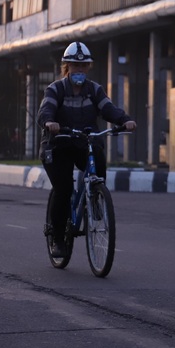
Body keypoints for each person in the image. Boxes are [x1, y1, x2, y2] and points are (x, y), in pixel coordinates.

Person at [37, 41, 137, 257]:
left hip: (84, 142)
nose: (79, 70)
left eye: (83, 67)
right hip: (59, 143)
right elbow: (46, 110)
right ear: (67, 67)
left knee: (99, 160)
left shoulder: (94, 90)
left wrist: (125, 120)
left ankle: (95, 198)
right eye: (75, 66)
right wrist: (49, 122)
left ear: (88, 68)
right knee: (63, 189)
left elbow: (108, 109)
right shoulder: (56, 89)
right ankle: (57, 238)